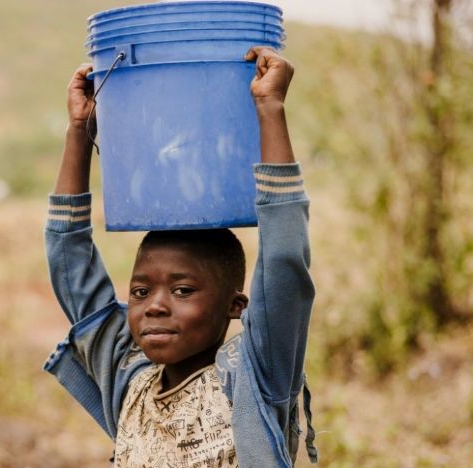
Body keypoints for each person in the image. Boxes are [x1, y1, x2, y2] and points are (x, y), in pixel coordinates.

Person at [43, 46, 317, 467]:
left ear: (235, 306)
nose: (154, 306)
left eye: (183, 289)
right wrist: (79, 131)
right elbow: (69, 258)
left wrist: (269, 106)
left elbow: (283, 260)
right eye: (139, 291)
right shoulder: (129, 386)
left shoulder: (254, 379)